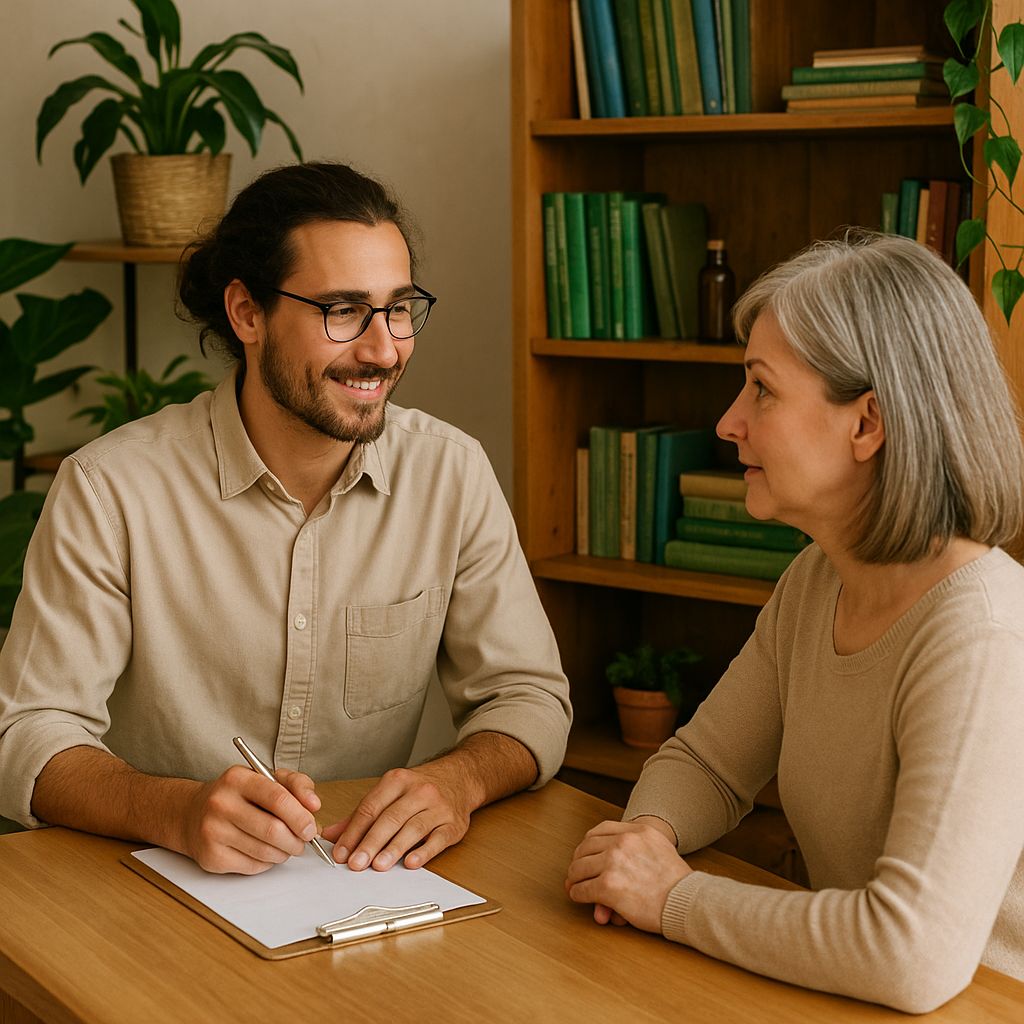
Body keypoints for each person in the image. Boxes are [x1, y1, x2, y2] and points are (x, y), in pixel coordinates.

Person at [0, 161, 571, 877]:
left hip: (361, 890)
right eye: (342, 310)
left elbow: (528, 697)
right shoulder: (110, 488)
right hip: (145, 887)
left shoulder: (451, 474)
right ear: (247, 314)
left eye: (398, 308)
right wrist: (173, 811)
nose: (384, 348)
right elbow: (28, 731)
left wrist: (459, 781)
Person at [565, 232, 1024, 1013]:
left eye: (761, 390)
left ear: (868, 424)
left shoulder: (982, 635)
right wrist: (643, 843)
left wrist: (674, 899)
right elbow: (705, 765)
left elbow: (910, 955)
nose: (728, 422)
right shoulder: (818, 578)